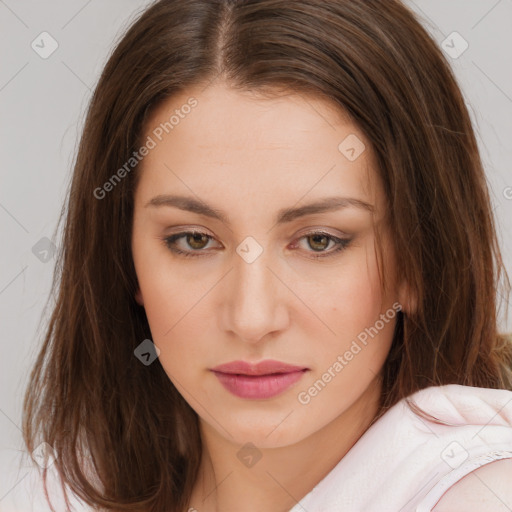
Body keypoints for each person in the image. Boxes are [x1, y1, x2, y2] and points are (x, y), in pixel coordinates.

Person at [21, 0, 512, 511]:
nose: (252, 319)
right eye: (193, 239)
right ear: (124, 257)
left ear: (418, 262)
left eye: (319, 240)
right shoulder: (54, 495)